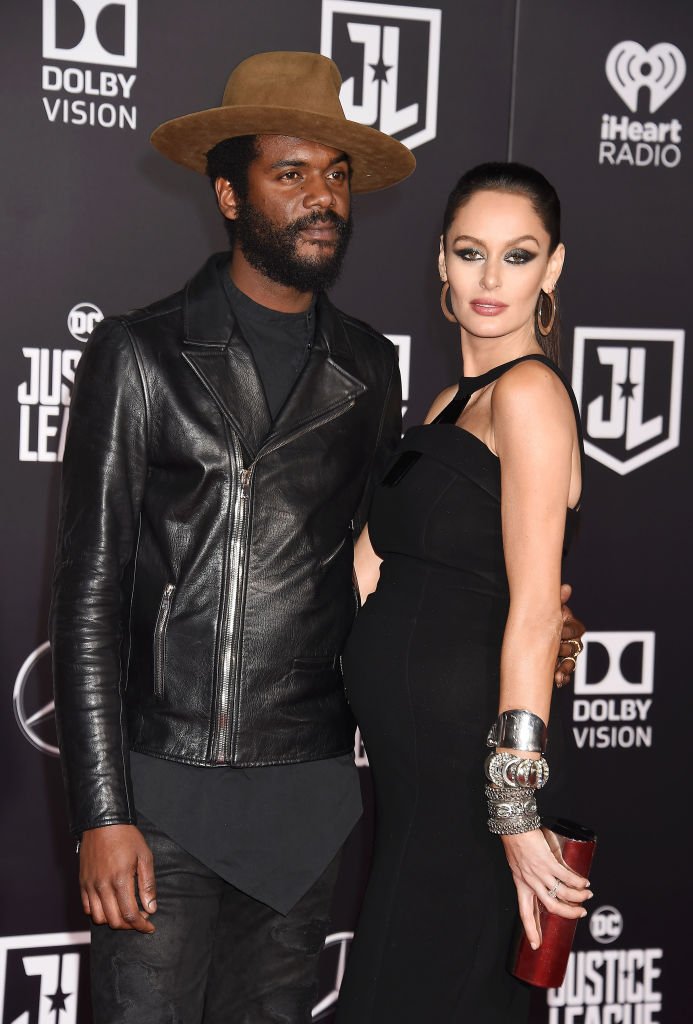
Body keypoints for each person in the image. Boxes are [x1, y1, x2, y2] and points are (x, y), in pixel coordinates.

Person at [49, 49, 582, 1022]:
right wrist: (102, 807)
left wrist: (535, 608)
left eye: (335, 175)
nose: (321, 196)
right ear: (227, 190)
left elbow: (395, 552)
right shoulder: (140, 353)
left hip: (312, 799)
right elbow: (86, 596)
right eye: (290, 173)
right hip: (165, 797)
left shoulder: (373, 368)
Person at [335, 163, 591, 1024]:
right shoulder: (449, 402)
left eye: (517, 257)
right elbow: (368, 567)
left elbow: (528, 609)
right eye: (470, 252)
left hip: (467, 778)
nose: (490, 280)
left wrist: (514, 807)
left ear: (550, 269)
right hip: (415, 774)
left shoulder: (528, 397)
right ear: (439, 260)